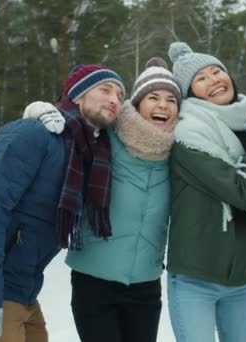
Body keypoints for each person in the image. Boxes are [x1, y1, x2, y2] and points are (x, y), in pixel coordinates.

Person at [0, 64, 125, 342]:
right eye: (105, 90)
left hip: (22, 290)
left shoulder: (91, 153)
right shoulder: (34, 133)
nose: (115, 99)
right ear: (76, 96)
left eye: (121, 95)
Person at [23, 58, 182, 342]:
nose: (163, 105)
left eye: (171, 100)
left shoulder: (181, 154)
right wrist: (40, 110)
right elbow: (71, 117)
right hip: (94, 281)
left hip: (146, 285)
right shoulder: (104, 137)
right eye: (153, 97)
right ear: (136, 104)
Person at [165, 41, 246, 342]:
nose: (214, 79)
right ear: (189, 93)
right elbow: (243, 192)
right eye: (201, 78)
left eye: (217, 71)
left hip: (243, 279)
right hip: (195, 280)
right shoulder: (188, 136)